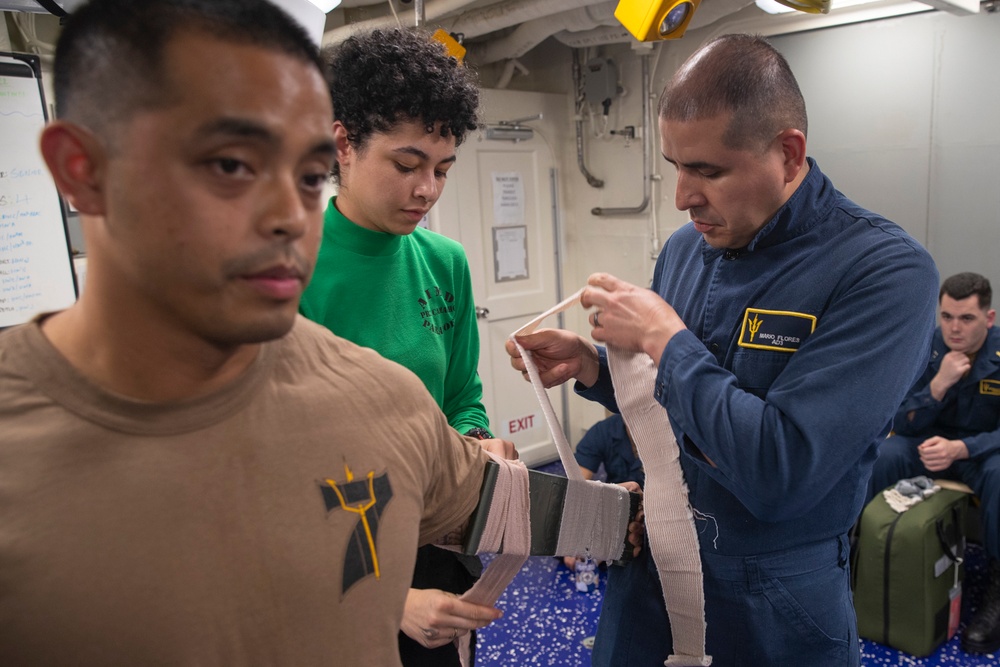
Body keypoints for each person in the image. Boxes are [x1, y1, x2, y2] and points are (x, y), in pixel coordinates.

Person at [0, 1, 516, 664]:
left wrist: (627, 510)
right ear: (83, 168)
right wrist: (392, 596)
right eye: (232, 166)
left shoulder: (381, 389)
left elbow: (461, 453)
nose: (285, 218)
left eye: (303, 178)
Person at [506, 33, 939, 666]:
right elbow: (670, 410)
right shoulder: (688, 249)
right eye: (675, 166)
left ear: (788, 155)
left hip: (775, 589)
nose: (683, 197)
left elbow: (780, 475)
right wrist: (598, 370)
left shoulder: (883, 272)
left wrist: (663, 337)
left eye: (708, 171)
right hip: (655, 554)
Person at [297, 28, 490, 666]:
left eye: (441, 169)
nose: (427, 191)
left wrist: (476, 448)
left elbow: (462, 396)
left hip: (435, 538)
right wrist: (390, 598)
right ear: (343, 143)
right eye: (407, 166)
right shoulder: (287, 268)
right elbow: (261, 473)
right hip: (327, 558)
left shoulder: (445, 263)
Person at [868, 271, 1000, 654]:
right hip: (927, 446)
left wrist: (963, 448)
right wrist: (937, 386)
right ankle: (860, 557)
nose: (954, 328)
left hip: (981, 454)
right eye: (946, 317)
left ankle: (996, 588)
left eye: (966, 318)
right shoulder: (925, 348)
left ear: (988, 319)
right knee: (885, 453)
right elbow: (898, 419)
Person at [563, 414, 644, 571]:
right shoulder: (604, 431)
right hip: (616, 510)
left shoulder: (674, 433)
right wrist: (574, 538)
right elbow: (575, 490)